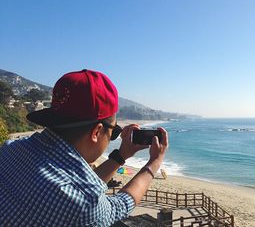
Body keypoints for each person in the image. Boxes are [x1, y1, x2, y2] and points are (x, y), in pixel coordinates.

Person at [0, 69, 168, 226]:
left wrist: (121, 155)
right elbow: (118, 206)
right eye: (114, 131)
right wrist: (155, 162)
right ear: (97, 132)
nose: (112, 137)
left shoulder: (9, 149)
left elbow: (80, 183)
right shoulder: (83, 205)